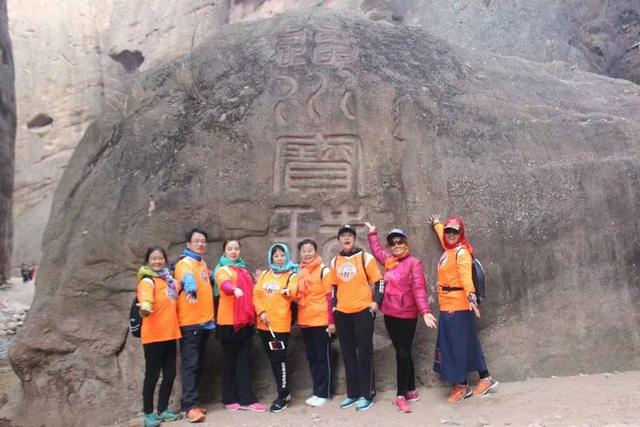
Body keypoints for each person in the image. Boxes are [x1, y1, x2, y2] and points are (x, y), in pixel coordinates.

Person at [365, 222, 437, 413]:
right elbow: (377, 251)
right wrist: (373, 233)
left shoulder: (414, 263)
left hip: (407, 314)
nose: (396, 245)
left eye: (399, 242)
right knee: (402, 351)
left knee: (402, 352)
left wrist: (425, 311)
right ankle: (411, 389)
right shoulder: (389, 261)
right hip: (390, 313)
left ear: (406, 243)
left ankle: (400, 394)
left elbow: (419, 289)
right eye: (393, 243)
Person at [429, 214, 498, 403]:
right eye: (448, 231)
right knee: (466, 343)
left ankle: (461, 386)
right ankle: (484, 378)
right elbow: (444, 236)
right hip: (448, 306)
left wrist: (471, 297)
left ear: (461, 234)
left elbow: (466, 277)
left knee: (455, 346)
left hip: (458, 305)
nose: (450, 234)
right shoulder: (450, 249)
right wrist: (437, 224)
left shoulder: (461, 253)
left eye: (455, 231)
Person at [329, 224, 383, 411]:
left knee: (364, 354)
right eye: (343, 235)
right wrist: (334, 310)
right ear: (339, 240)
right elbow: (333, 289)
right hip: (343, 314)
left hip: (362, 312)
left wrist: (376, 302)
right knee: (348, 354)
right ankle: (352, 394)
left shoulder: (364, 258)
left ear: (354, 238)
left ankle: (367, 394)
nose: (346, 238)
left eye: (349, 235)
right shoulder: (335, 261)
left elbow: (380, 282)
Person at [213, 239, 266, 412]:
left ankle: (245, 399)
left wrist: (257, 283)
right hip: (228, 322)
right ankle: (229, 398)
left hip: (245, 321)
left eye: (236, 248)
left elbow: (251, 293)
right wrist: (233, 289)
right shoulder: (222, 269)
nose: (233, 251)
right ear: (224, 251)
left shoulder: (243, 270)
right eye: (230, 249)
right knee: (229, 362)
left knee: (243, 362)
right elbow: (223, 283)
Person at [136, 246, 182, 427]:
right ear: (148, 261)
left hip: (170, 334)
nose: (157, 261)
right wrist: (146, 307)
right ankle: (148, 413)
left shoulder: (169, 281)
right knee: (152, 376)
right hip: (154, 336)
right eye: (153, 258)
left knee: (170, 374)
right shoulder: (147, 281)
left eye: (160, 258)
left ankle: (162, 410)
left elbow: (180, 287)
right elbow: (146, 299)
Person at [174, 228, 215, 423]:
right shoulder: (185, 263)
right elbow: (187, 278)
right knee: (190, 365)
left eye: (203, 241)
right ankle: (190, 407)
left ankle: (192, 402)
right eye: (196, 241)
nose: (200, 244)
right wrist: (190, 288)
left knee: (197, 364)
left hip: (204, 322)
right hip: (190, 323)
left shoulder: (202, 263)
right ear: (188, 244)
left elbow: (208, 278)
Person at [253, 243, 299, 413]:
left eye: (282, 255)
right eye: (276, 256)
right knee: (273, 359)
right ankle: (283, 392)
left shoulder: (291, 275)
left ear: (286, 256)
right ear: (271, 258)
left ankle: (283, 395)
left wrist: (288, 291)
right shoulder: (265, 274)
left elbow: (295, 291)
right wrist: (261, 311)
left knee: (279, 359)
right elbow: (256, 294)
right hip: (264, 324)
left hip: (279, 326)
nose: (279, 258)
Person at [295, 239, 335, 407]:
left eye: (310, 250)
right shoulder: (299, 271)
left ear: (316, 251)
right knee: (312, 359)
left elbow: (330, 297)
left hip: (321, 321)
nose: (307, 253)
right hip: (305, 321)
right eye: (304, 251)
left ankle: (324, 393)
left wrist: (331, 322)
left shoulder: (324, 271)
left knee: (322, 358)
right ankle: (317, 391)